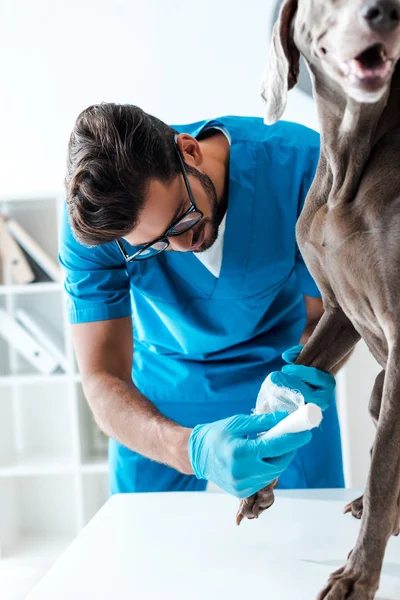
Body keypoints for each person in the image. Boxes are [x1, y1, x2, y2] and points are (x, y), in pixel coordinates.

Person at [59, 103, 345, 499]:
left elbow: (323, 315)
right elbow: (101, 376)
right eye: (153, 246)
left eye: (183, 218)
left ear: (190, 150)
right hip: (158, 395)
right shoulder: (98, 225)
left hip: (280, 379)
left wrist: (296, 390)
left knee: (312, 540)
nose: (181, 246)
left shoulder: (300, 168)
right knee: (145, 547)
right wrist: (188, 450)